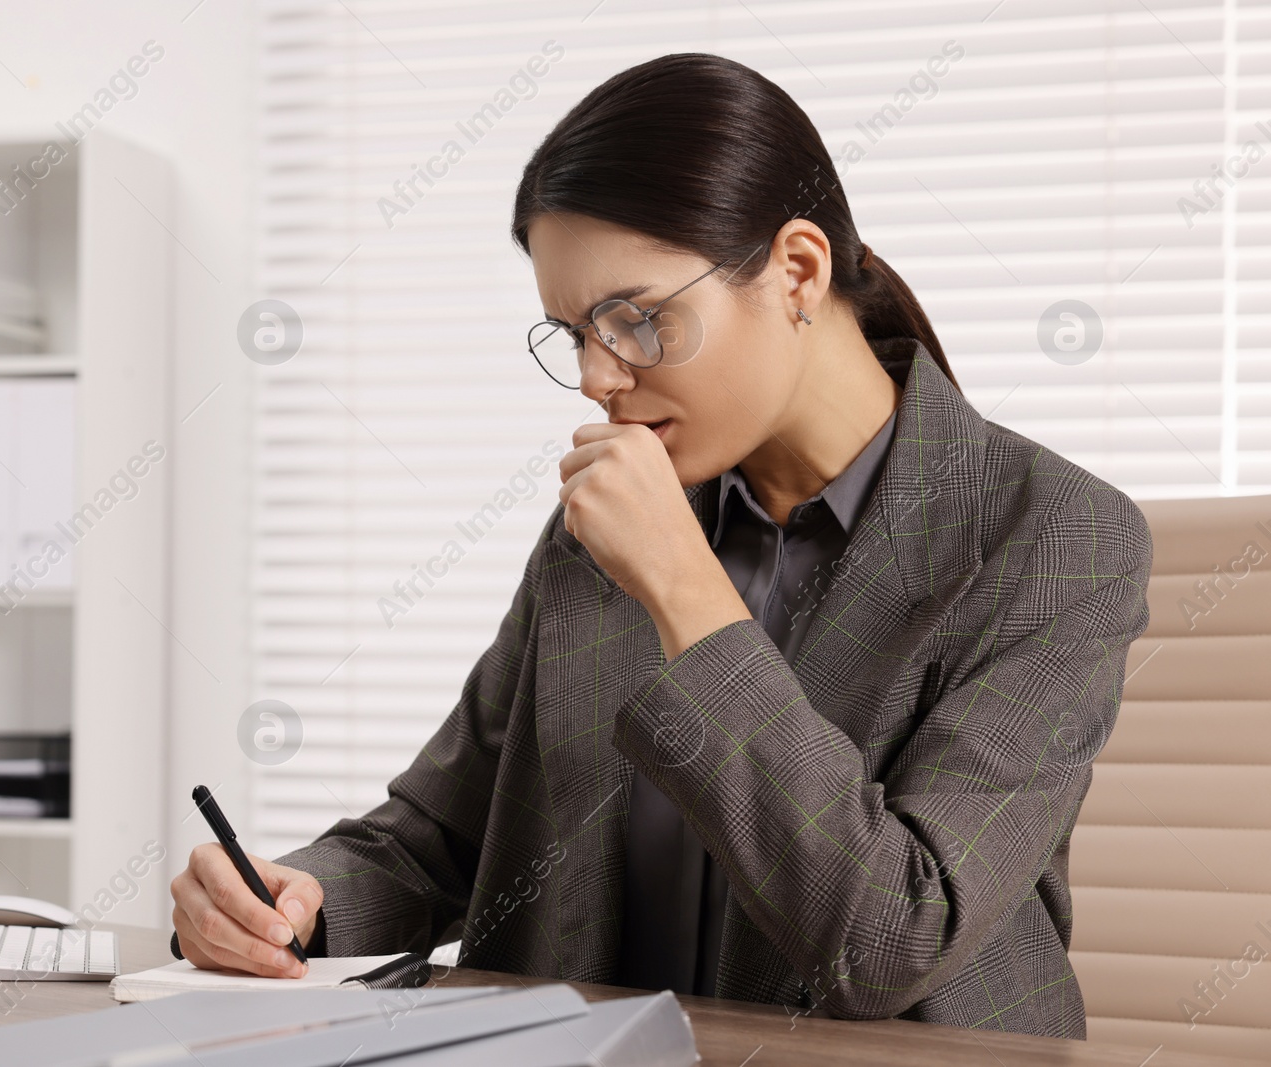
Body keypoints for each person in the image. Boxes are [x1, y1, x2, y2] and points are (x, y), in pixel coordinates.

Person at [169, 52, 1152, 1040]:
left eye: (636, 321)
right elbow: (440, 834)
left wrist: (687, 593)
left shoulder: (1051, 538)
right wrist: (296, 895)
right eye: (573, 334)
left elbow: (889, 938)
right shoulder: (604, 523)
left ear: (797, 272)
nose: (601, 378)